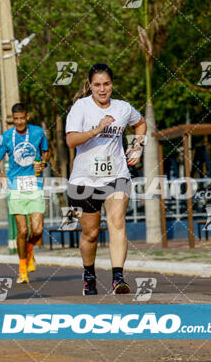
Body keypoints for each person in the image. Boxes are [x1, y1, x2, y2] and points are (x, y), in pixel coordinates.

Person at [65, 63, 146, 295]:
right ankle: (89, 275)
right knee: (90, 233)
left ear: (112, 84)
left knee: (117, 223)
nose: (102, 89)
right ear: (90, 86)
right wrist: (96, 130)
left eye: (107, 84)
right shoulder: (80, 107)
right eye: (97, 85)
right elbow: (71, 141)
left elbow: (141, 123)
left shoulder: (122, 108)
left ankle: (118, 277)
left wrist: (137, 147)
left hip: (116, 174)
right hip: (84, 179)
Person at [0, 103, 51, 284]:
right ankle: (22, 269)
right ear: (12, 119)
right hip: (15, 187)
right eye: (15, 119)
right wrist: (1, 177)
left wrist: (43, 163)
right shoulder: (7, 137)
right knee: (22, 230)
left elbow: (46, 152)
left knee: (38, 230)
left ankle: (29, 249)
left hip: (35, 184)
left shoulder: (38, 132)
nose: (19, 122)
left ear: (27, 117)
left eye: (22, 118)